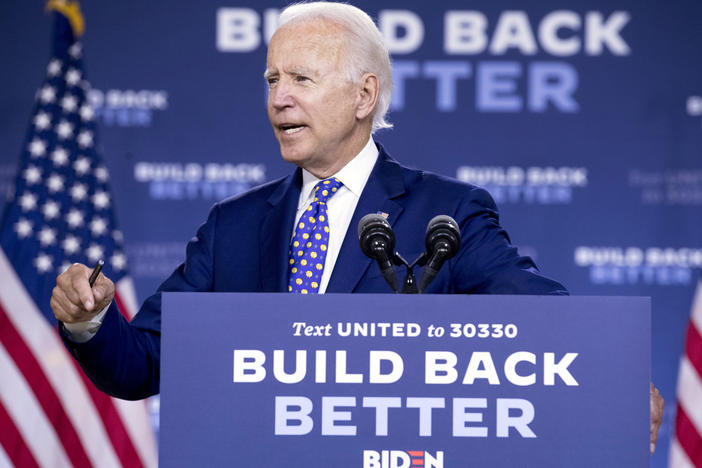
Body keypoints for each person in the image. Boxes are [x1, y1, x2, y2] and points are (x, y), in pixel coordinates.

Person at [50, 1, 663, 453]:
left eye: (301, 80)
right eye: (271, 80)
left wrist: (616, 374)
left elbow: (537, 315)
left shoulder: (444, 214)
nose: (278, 99)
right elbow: (143, 364)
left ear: (364, 95)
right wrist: (89, 322)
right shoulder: (232, 227)